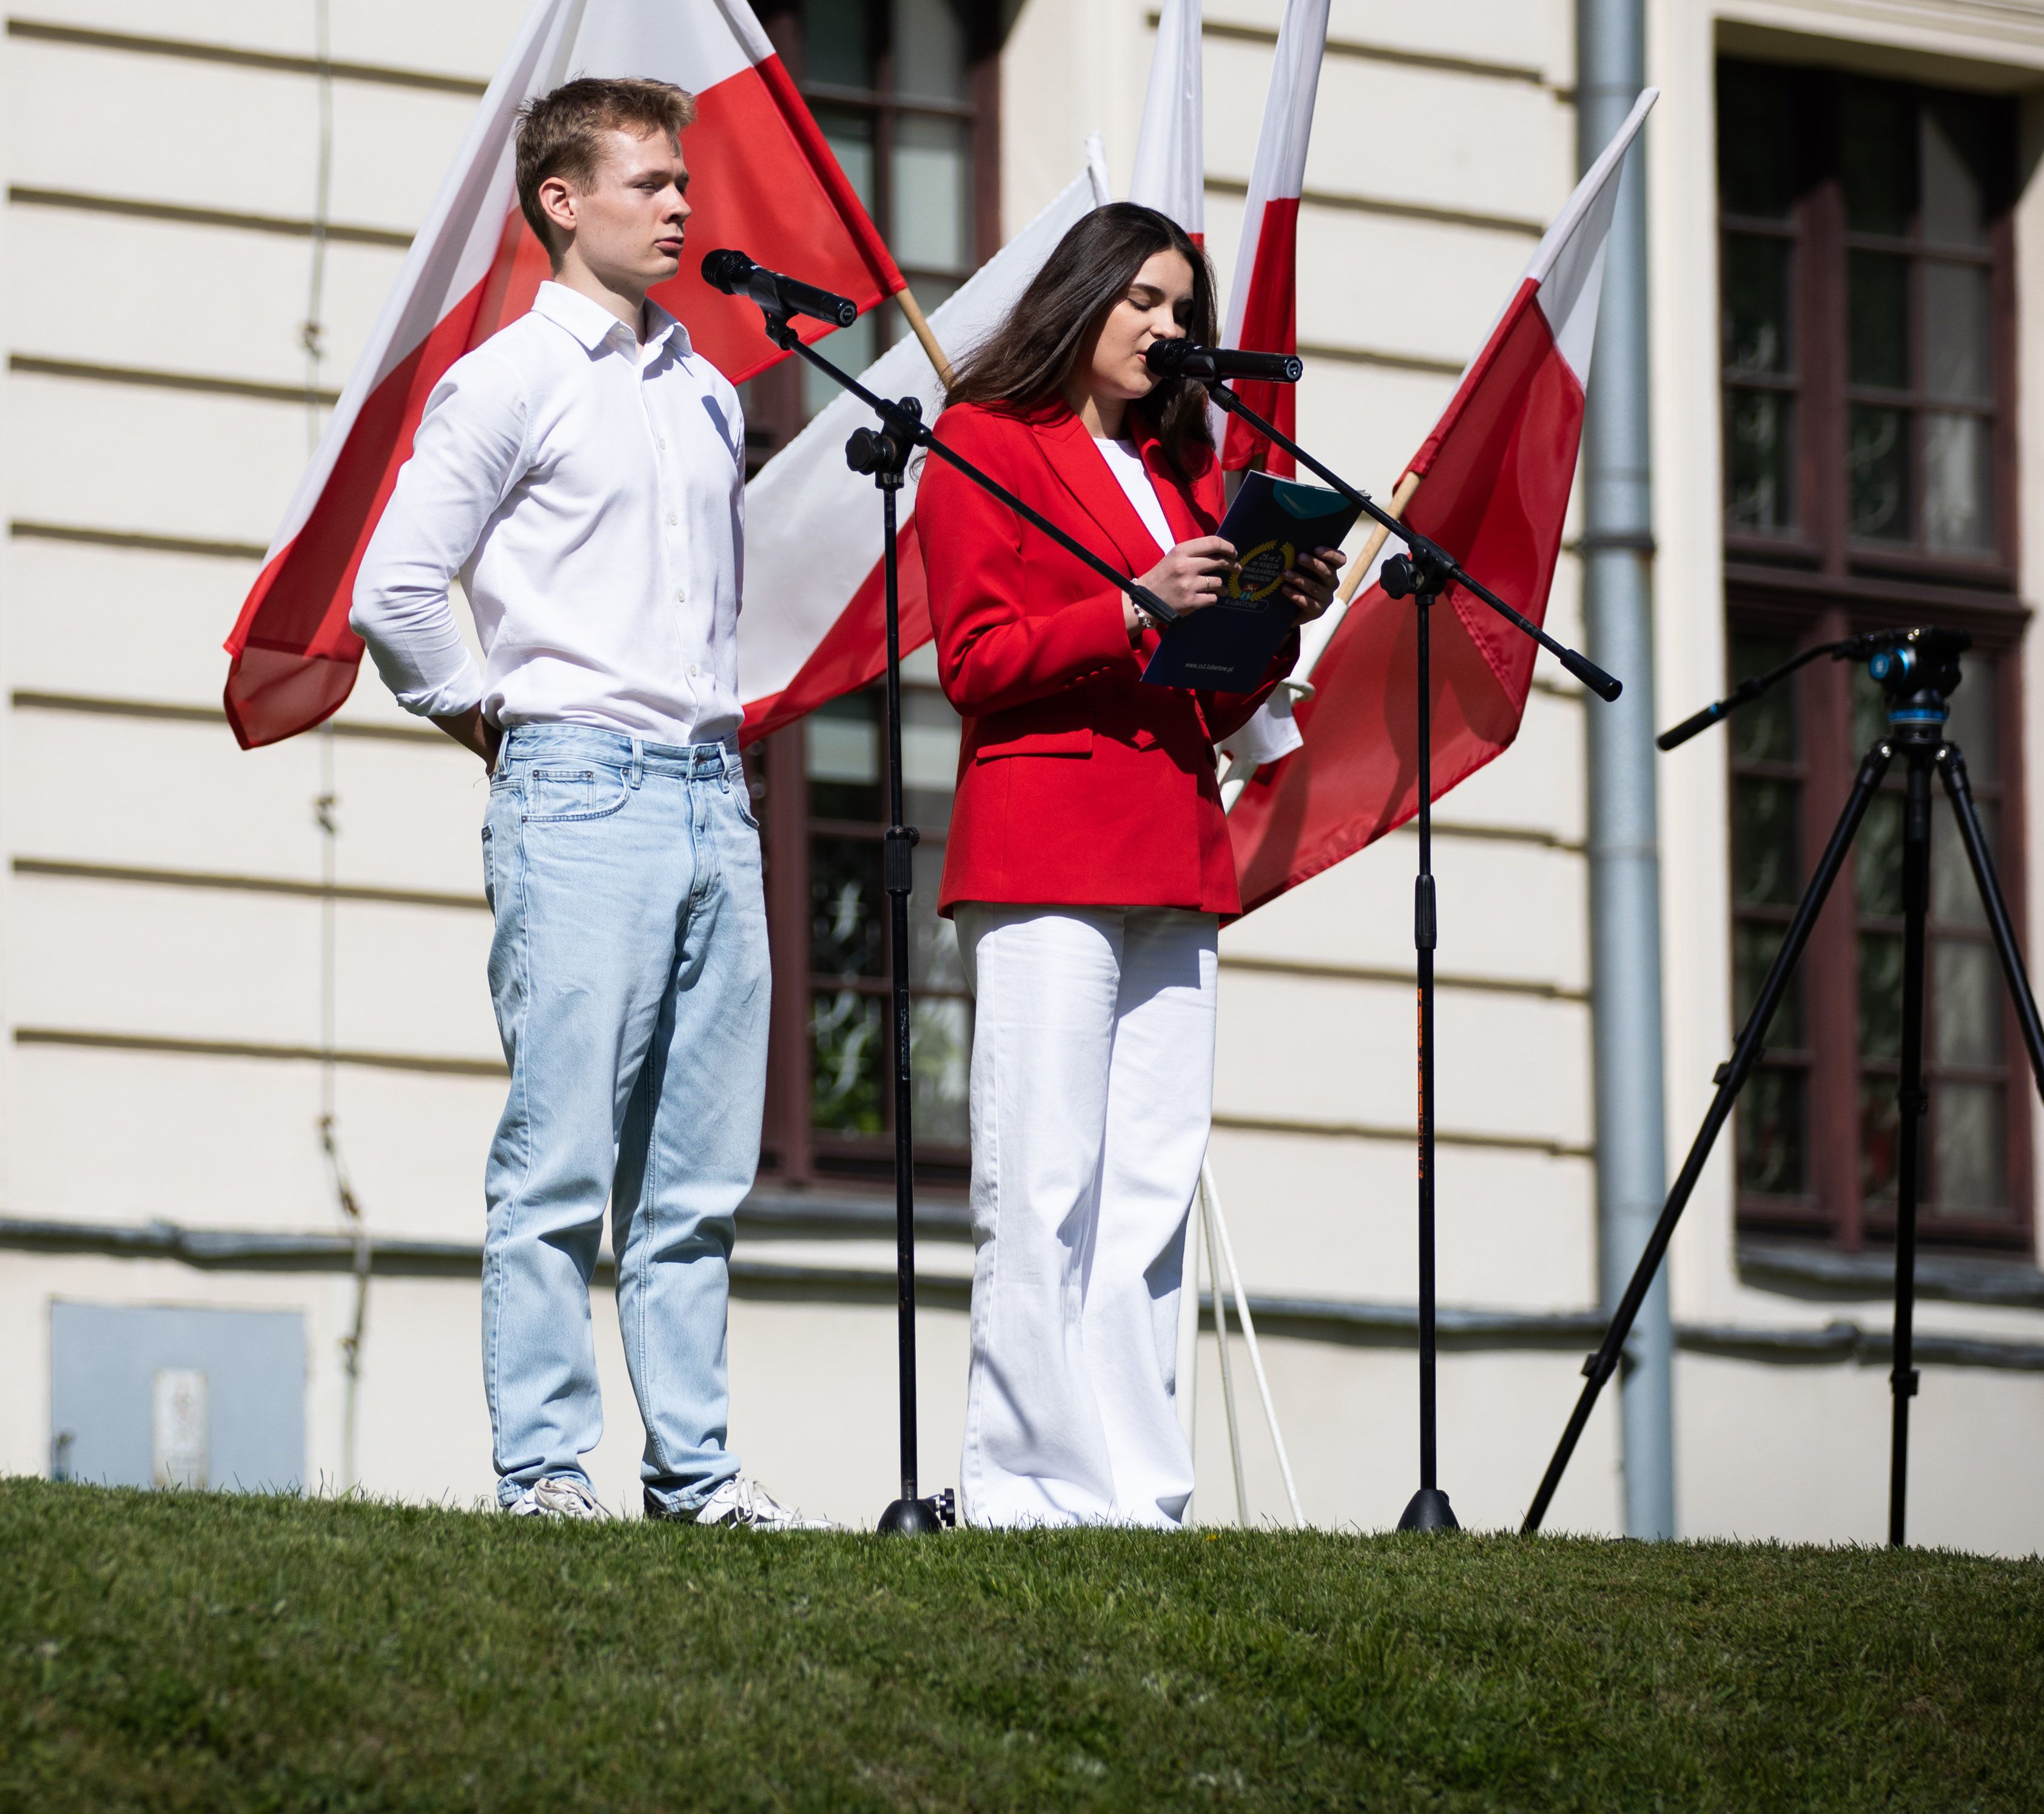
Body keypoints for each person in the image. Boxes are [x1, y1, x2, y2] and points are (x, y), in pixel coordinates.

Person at [351, 76, 822, 1529]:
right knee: (559, 1156)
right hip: (580, 784)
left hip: (709, 789)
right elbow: (394, 589)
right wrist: (488, 716)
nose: (682, 205)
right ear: (561, 201)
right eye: (648, 183)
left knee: (694, 1176)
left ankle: (694, 1474)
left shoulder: (704, 387)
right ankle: (545, 1472)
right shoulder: (506, 377)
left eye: (681, 184)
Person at [914, 202, 1341, 1527]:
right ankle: (1029, 1486)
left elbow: (1210, 704)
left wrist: (1274, 617)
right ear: (1081, 299)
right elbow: (973, 660)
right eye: (1143, 302)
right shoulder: (980, 444)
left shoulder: (1179, 481)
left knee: (1148, 1190)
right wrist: (1130, 604)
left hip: (1170, 842)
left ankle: (1137, 1490)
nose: (1167, 331)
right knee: (1040, 1180)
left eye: (1181, 314)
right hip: (1043, 845)